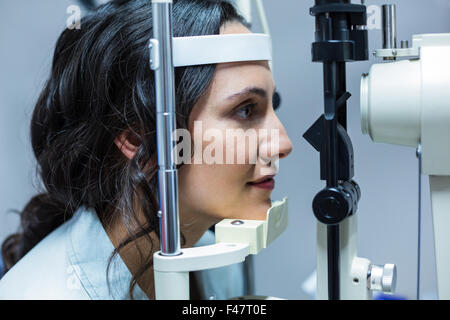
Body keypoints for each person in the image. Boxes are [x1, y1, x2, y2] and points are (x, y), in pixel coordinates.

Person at [0, 0, 292, 299]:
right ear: (137, 138)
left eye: (273, 105)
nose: (283, 144)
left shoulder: (215, 261)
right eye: (245, 110)